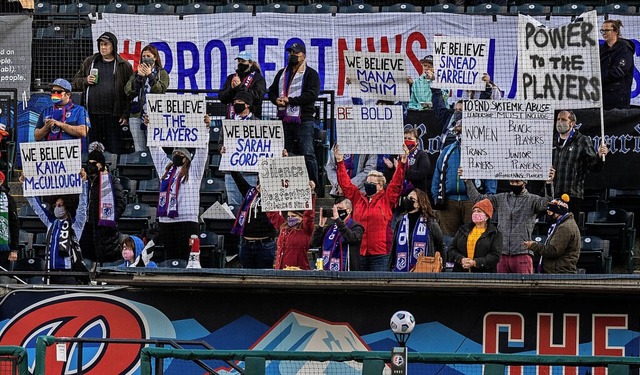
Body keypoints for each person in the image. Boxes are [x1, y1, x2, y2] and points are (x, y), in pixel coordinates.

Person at [335, 143, 408, 271]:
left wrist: (402, 164)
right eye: (367, 182)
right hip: (359, 252)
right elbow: (346, 185)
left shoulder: (387, 198)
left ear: (380, 186)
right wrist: (340, 162)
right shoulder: (358, 198)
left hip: (380, 254)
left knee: (379, 287)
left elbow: (397, 183)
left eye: (372, 183)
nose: (368, 184)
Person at [464, 172, 555, 274]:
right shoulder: (501, 198)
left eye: (517, 182)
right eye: (512, 182)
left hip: (523, 253)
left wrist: (549, 183)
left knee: (524, 289)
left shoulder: (533, 200)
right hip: (502, 254)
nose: (514, 184)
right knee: (501, 289)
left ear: (524, 182)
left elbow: (548, 204)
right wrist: (467, 181)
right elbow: (478, 200)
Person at [268, 43, 321, 187]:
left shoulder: (311, 74)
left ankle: (314, 185)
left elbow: (311, 95)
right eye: (290, 52)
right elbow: (271, 91)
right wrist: (275, 100)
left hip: (304, 120)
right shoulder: (281, 73)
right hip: (284, 119)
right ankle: (286, 184)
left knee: (308, 153)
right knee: (284, 152)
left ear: (303, 55)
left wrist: (290, 100)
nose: (292, 55)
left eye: (295, 53)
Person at [72, 31, 133, 154]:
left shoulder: (124, 65)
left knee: (114, 149)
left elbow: (130, 93)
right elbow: (75, 82)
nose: (103, 47)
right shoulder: (90, 61)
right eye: (101, 45)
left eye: (106, 44)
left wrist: (125, 113)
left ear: (113, 46)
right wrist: (85, 80)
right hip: (91, 115)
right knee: (92, 149)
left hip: (113, 116)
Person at [23, 171, 89, 283]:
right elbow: (36, 206)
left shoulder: (76, 224)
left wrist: (84, 183)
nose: (56, 208)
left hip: (69, 271)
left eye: (60, 205)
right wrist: (25, 185)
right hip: (50, 271)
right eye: (55, 205)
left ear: (67, 206)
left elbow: (82, 206)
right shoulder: (50, 222)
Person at [431, 131, 496, 237]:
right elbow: (437, 175)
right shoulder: (447, 151)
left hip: (473, 202)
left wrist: (488, 199)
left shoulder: (482, 151)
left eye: (462, 129)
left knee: (474, 237)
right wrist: (436, 197)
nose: (459, 132)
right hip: (448, 203)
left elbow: (490, 174)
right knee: (447, 239)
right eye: (458, 130)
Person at [151, 145, 208, 261]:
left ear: (187, 158)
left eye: (180, 154)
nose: (176, 155)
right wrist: (149, 129)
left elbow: (202, 152)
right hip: (166, 221)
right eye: (175, 153)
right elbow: (155, 149)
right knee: (171, 258)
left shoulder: (194, 170)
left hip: (187, 220)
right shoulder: (165, 168)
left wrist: (205, 131)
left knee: (188, 257)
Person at [552, 110, 609, 218]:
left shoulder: (582, 140)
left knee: (570, 226)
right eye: (558, 119)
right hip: (553, 192)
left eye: (564, 119)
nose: (559, 122)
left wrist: (600, 156)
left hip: (572, 194)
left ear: (572, 123)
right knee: (553, 227)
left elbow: (594, 166)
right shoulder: (552, 140)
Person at [81, 142, 126, 264]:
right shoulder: (86, 181)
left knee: (105, 260)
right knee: (88, 259)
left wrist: (111, 219)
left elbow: (121, 202)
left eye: (94, 163)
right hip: (88, 227)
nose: (90, 166)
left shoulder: (112, 181)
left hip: (105, 230)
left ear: (101, 164)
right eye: (89, 163)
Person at [218, 91, 260, 210]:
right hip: (231, 172)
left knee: (250, 204)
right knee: (234, 205)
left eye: (239, 102)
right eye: (235, 102)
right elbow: (220, 142)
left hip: (250, 172)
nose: (236, 104)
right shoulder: (228, 123)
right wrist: (221, 148)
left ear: (247, 105)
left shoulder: (258, 123)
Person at [124, 44, 170, 152]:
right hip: (136, 114)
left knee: (154, 148)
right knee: (139, 148)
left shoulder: (162, 73)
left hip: (154, 115)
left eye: (148, 56)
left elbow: (159, 91)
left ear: (155, 57)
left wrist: (150, 75)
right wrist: (139, 77)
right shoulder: (136, 74)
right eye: (143, 56)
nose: (145, 58)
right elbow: (128, 91)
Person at [230, 172, 278, 269]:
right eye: (260, 181)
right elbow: (238, 179)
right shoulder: (250, 192)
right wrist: (228, 160)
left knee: (264, 278)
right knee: (246, 279)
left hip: (265, 244)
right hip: (246, 244)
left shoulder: (276, 196)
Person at [389, 189, 444, 272]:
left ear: (419, 204)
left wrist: (442, 267)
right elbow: (394, 247)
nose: (407, 200)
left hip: (425, 271)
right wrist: (390, 266)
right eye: (407, 198)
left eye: (412, 199)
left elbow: (441, 245)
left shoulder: (430, 222)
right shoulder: (400, 221)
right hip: (401, 271)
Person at [523, 195, 580, 274]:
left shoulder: (565, 227)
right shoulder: (563, 224)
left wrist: (533, 245)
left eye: (550, 212)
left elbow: (553, 251)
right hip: (557, 272)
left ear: (558, 212)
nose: (548, 214)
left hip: (559, 274)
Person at [267, 183, 316, 270]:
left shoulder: (305, 229)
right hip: (281, 269)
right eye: (288, 216)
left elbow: (309, 216)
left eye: (293, 216)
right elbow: (272, 214)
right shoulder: (283, 226)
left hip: (299, 271)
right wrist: (266, 193)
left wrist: (311, 194)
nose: (290, 219)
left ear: (301, 217)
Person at [448, 198, 502, 273]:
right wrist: (461, 259)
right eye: (474, 211)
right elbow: (451, 249)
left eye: (479, 211)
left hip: (484, 275)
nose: (475, 213)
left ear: (487, 216)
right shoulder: (463, 229)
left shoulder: (494, 233)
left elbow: (495, 256)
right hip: (460, 273)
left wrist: (475, 262)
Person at [311, 197, 364, 271]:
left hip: (346, 271)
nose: (337, 212)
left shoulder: (356, 227)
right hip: (327, 269)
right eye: (336, 209)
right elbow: (314, 243)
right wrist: (320, 226)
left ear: (349, 210)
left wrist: (338, 221)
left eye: (340, 208)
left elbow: (352, 239)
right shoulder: (330, 228)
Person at [34, 78, 89, 143]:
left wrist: (60, 124)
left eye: (59, 92)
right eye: (53, 91)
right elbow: (36, 136)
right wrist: (46, 127)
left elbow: (83, 131)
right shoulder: (45, 112)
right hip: (51, 150)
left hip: (72, 151)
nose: (55, 93)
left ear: (68, 94)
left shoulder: (79, 110)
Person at [219, 51, 266, 120]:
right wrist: (231, 89)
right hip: (231, 118)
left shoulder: (258, 78)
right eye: (239, 61)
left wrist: (240, 87)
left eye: (243, 61)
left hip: (252, 118)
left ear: (250, 63)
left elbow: (257, 97)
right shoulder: (231, 78)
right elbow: (222, 97)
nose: (240, 63)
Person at [384, 128, 432, 196]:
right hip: (396, 195)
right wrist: (391, 168)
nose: (406, 141)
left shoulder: (421, 155)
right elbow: (388, 178)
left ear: (417, 141)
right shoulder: (396, 155)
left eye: (410, 139)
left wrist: (401, 170)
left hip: (416, 194)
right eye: (405, 138)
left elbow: (422, 174)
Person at [599, 19, 635, 110]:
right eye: (602, 30)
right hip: (602, 96)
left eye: (607, 30)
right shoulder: (601, 49)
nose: (604, 33)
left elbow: (619, 71)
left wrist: (597, 78)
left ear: (616, 31)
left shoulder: (624, 50)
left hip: (619, 98)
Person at [0, 171, 19, 272]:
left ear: (1, 181)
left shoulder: (9, 199)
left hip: (3, 247)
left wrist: (14, 249)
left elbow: (14, 224)